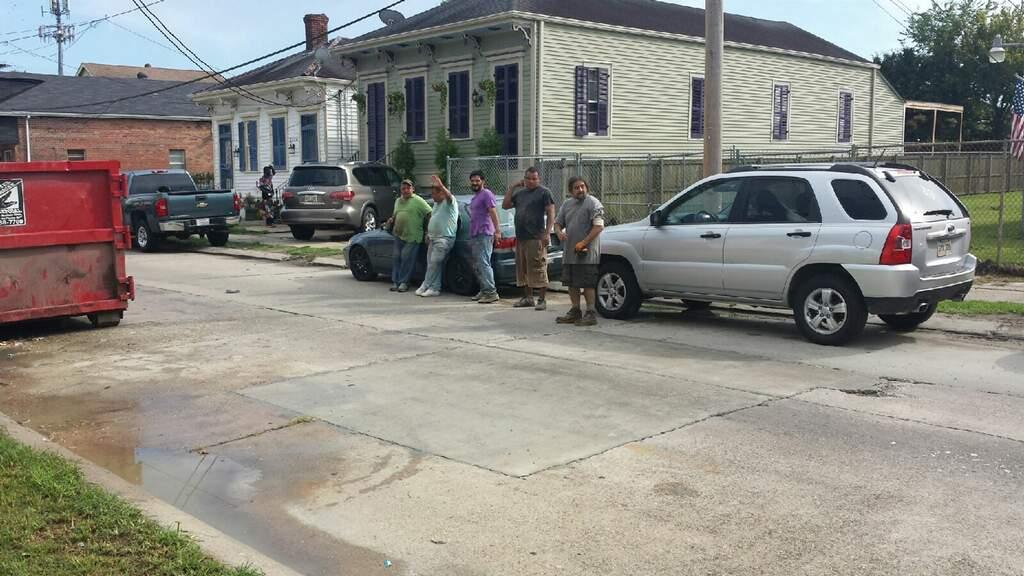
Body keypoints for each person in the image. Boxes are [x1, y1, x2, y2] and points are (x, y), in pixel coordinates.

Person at [554, 177, 605, 326]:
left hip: (587, 253)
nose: (580, 190)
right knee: (572, 284)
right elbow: (557, 223)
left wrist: (583, 242)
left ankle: (590, 313)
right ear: (571, 191)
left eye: (582, 186)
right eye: (576, 188)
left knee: (588, 283)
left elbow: (598, 227)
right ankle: (575, 311)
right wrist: (559, 232)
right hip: (570, 253)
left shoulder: (593, 203)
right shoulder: (567, 204)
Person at [502, 167, 555, 311]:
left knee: (538, 268)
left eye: (534, 179)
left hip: (536, 237)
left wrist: (547, 233)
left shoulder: (544, 192)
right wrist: (512, 187)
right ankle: (528, 298)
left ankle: (542, 299)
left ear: (538, 179)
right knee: (523, 269)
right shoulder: (520, 194)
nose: (531, 181)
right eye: (528, 178)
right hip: (521, 237)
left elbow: (551, 212)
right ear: (524, 179)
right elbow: (505, 205)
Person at [385, 179, 431, 293]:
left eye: (408, 188)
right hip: (398, 234)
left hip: (413, 236)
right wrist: (391, 220)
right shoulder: (398, 201)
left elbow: (430, 213)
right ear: (400, 190)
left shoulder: (418, 200)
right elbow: (395, 215)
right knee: (396, 258)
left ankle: (404, 282)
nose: (405, 190)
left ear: (413, 189)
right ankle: (395, 282)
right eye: (403, 188)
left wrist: (428, 231)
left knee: (407, 259)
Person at [417, 175, 459, 297]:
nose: (432, 196)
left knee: (434, 263)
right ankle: (434, 288)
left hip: (444, 238)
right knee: (433, 264)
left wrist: (441, 185)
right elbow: (432, 218)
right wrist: (428, 233)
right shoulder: (436, 204)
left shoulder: (450, 202)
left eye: (434, 194)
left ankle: (425, 285)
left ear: (441, 193)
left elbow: (449, 196)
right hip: (433, 238)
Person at [467, 170, 502, 304]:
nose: (475, 183)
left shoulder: (486, 194)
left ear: (483, 181)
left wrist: (497, 231)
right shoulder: (475, 197)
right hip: (475, 234)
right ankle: (484, 290)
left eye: (477, 180)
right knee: (477, 265)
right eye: (472, 181)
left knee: (483, 263)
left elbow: (493, 211)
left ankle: (491, 292)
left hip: (484, 233)